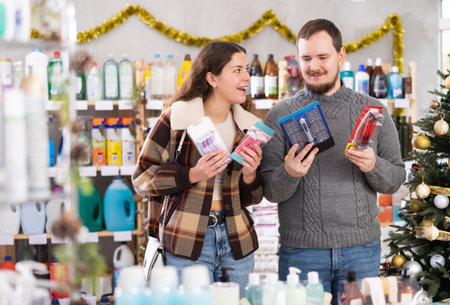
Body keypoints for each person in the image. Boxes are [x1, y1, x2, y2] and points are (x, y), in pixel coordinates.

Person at [260, 19, 405, 304]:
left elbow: (395, 180)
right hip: (301, 252)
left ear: (340, 56)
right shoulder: (279, 114)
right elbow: (270, 191)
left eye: (323, 57)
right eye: (306, 58)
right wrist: (289, 172)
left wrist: (372, 165)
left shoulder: (373, 109)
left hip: (361, 250)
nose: (314, 66)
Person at [132, 41, 263, 297]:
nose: (247, 77)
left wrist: (250, 175)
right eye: (237, 70)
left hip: (236, 240)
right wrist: (192, 174)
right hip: (188, 239)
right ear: (212, 78)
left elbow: (254, 197)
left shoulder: (249, 127)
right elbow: (141, 179)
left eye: (246, 69)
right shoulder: (177, 119)